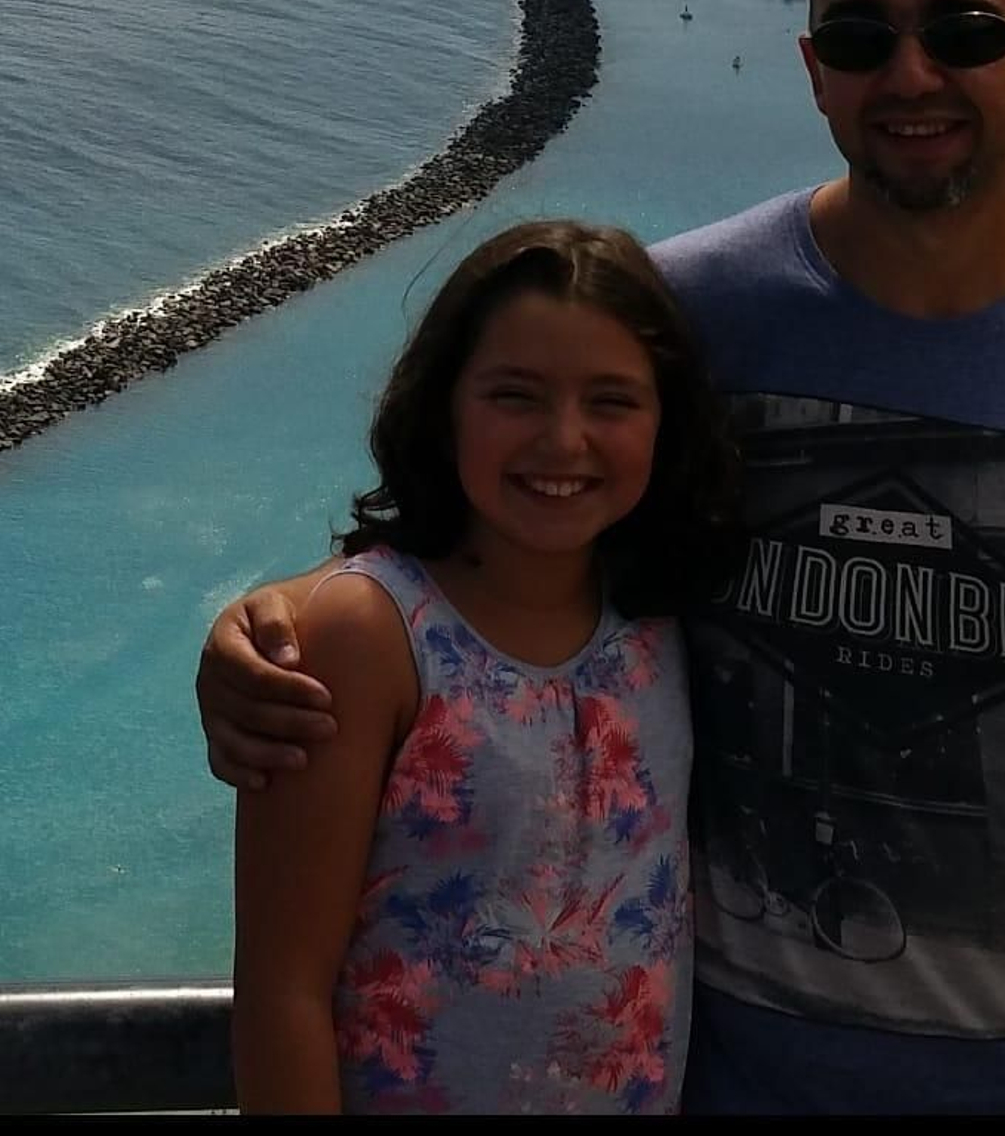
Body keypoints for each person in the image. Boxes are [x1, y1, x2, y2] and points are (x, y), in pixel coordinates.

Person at [201, 0, 1005, 1118]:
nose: (910, 75)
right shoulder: (690, 321)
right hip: (737, 1084)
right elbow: (515, 539)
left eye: (961, 33)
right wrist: (274, 627)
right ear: (813, 68)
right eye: (861, 38)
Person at [229, 217, 737, 1115]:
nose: (563, 440)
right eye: (516, 395)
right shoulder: (368, 634)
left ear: (667, 422)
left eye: (612, 401)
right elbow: (283, 991)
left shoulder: (663, 617)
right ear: (445, 405)